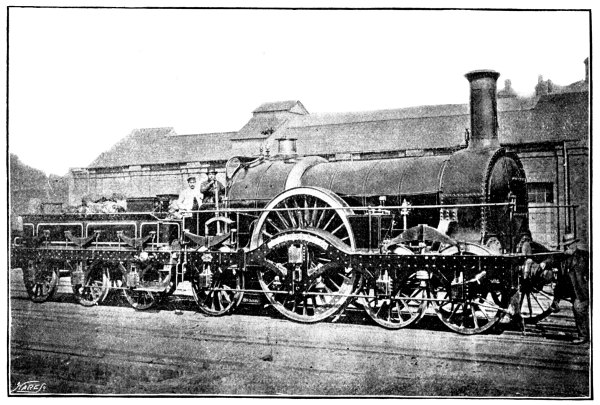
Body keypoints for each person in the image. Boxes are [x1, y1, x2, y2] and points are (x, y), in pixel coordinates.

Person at [560, 234, 590, 344]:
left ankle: (583, 336)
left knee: (578, 308)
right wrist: (544, 263)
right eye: (565, 245)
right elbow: (552, 259)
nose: (567, 247)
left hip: (583, 290)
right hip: (573, 290)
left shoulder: (584, 256)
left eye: (569, 245)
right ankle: (585, 334)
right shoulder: (564, 258)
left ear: (574, 244)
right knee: (579, 310)